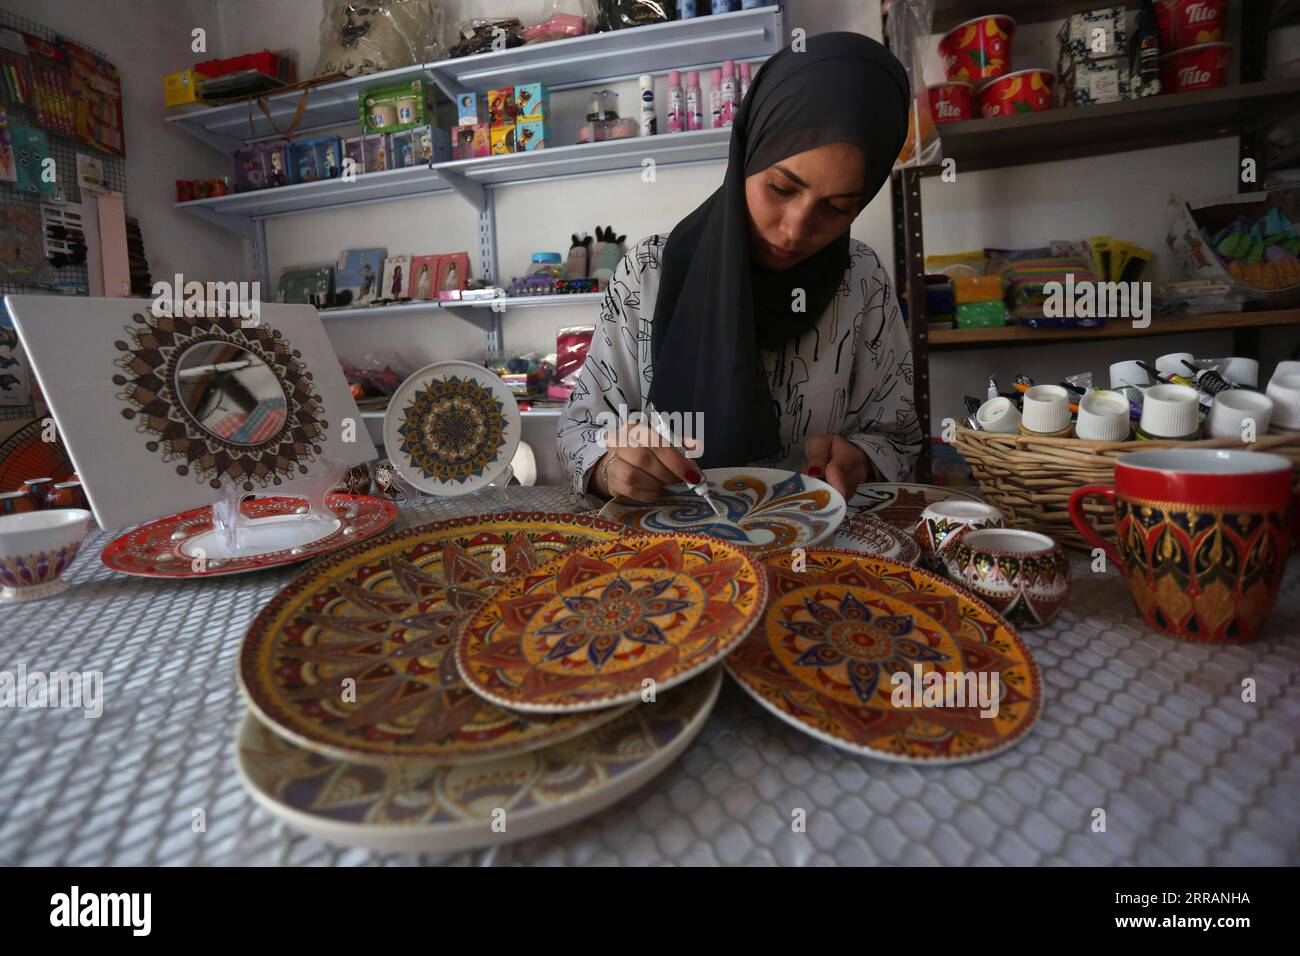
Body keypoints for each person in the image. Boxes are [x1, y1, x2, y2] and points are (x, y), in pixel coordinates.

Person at [557, 31, 921, 507]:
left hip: (822, 561)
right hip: (678, 561)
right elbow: (577, 432)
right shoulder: (647, 274)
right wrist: (611, 469)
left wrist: (860, 458)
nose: (795, 229)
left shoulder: (862, 282)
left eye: (836, 207)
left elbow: (900, 438)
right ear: (748, 152)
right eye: (781, 188)